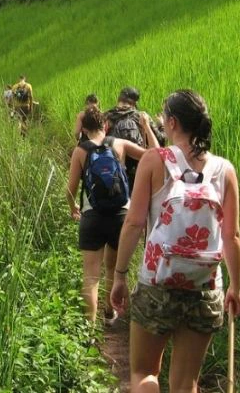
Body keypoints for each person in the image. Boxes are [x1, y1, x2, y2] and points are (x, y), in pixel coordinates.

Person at [109, 89, 240, 393]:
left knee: (144, 372)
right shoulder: (225, 170)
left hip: (157, 284)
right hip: (205, 287)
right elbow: (232, 236)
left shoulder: (155, 161)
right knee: (186, 383)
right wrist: (235, 286)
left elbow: (133, 222)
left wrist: (119, 276)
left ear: (171, 122)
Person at [66, 106, 157, 330]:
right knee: (112, 268)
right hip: (120, 216)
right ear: (106, 125)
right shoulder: (119, 144)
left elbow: (70, 190)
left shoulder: (80, 152)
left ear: (85, 129)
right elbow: (155, 154)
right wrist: (145, 126)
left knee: (91, 275)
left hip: (92, 216)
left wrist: (73, 208)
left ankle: (88, 331)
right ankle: (109, 312)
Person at [105, 86, 158, 191]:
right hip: (139, 168)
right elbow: (159, 139)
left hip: (113, 170)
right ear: (134, 103)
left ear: (119, 99)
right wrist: (161, 125)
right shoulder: (141, 116)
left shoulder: (106, 116)